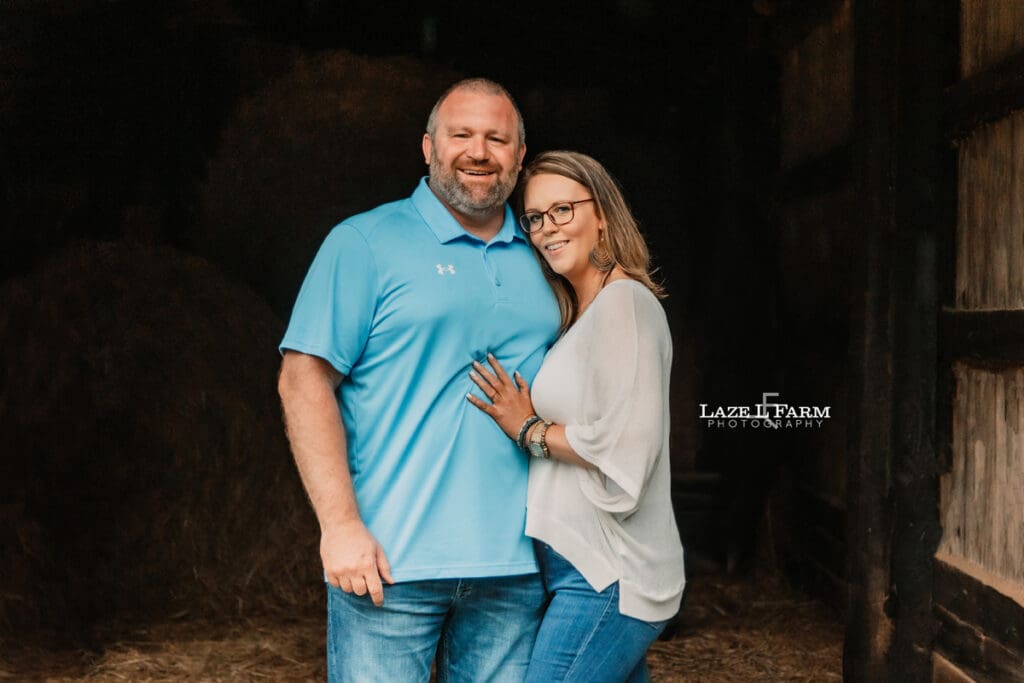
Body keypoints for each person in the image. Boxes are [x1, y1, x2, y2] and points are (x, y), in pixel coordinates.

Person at [276, 78, 561, 682]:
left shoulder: (547, 255)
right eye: (461, 135)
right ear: (427, 147)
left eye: (497, 138)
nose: (478, 151)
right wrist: (340, 526)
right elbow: (302, 381)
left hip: (516, 566)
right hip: (387, 563)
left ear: (519, 156)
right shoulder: (364, 243)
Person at [467, 150, 686, 682]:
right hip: (578, 566)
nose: (547, 230)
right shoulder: (579, 317)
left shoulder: (626, 304)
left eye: (563, 210)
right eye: (536, 218)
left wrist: (528, 429)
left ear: (602, 214)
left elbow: (627, 447)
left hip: (609, 574)